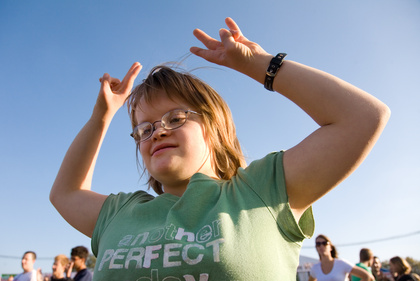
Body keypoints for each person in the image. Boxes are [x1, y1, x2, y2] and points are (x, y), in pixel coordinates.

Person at [50, 17, 390, 280]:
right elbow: (65, 193)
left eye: (175, 117)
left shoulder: (261, 191)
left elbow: (362, 117)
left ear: (214, 127)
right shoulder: (120, 214)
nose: (156, 133)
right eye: (144, 128)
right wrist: (102, 117)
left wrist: (259, 64)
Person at [308, 235, 374, 281]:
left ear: (330, 247)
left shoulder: (341, 263)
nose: (321, 246)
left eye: (324, 243)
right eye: (318, 244)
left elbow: (368, 276)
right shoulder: (315, 268)